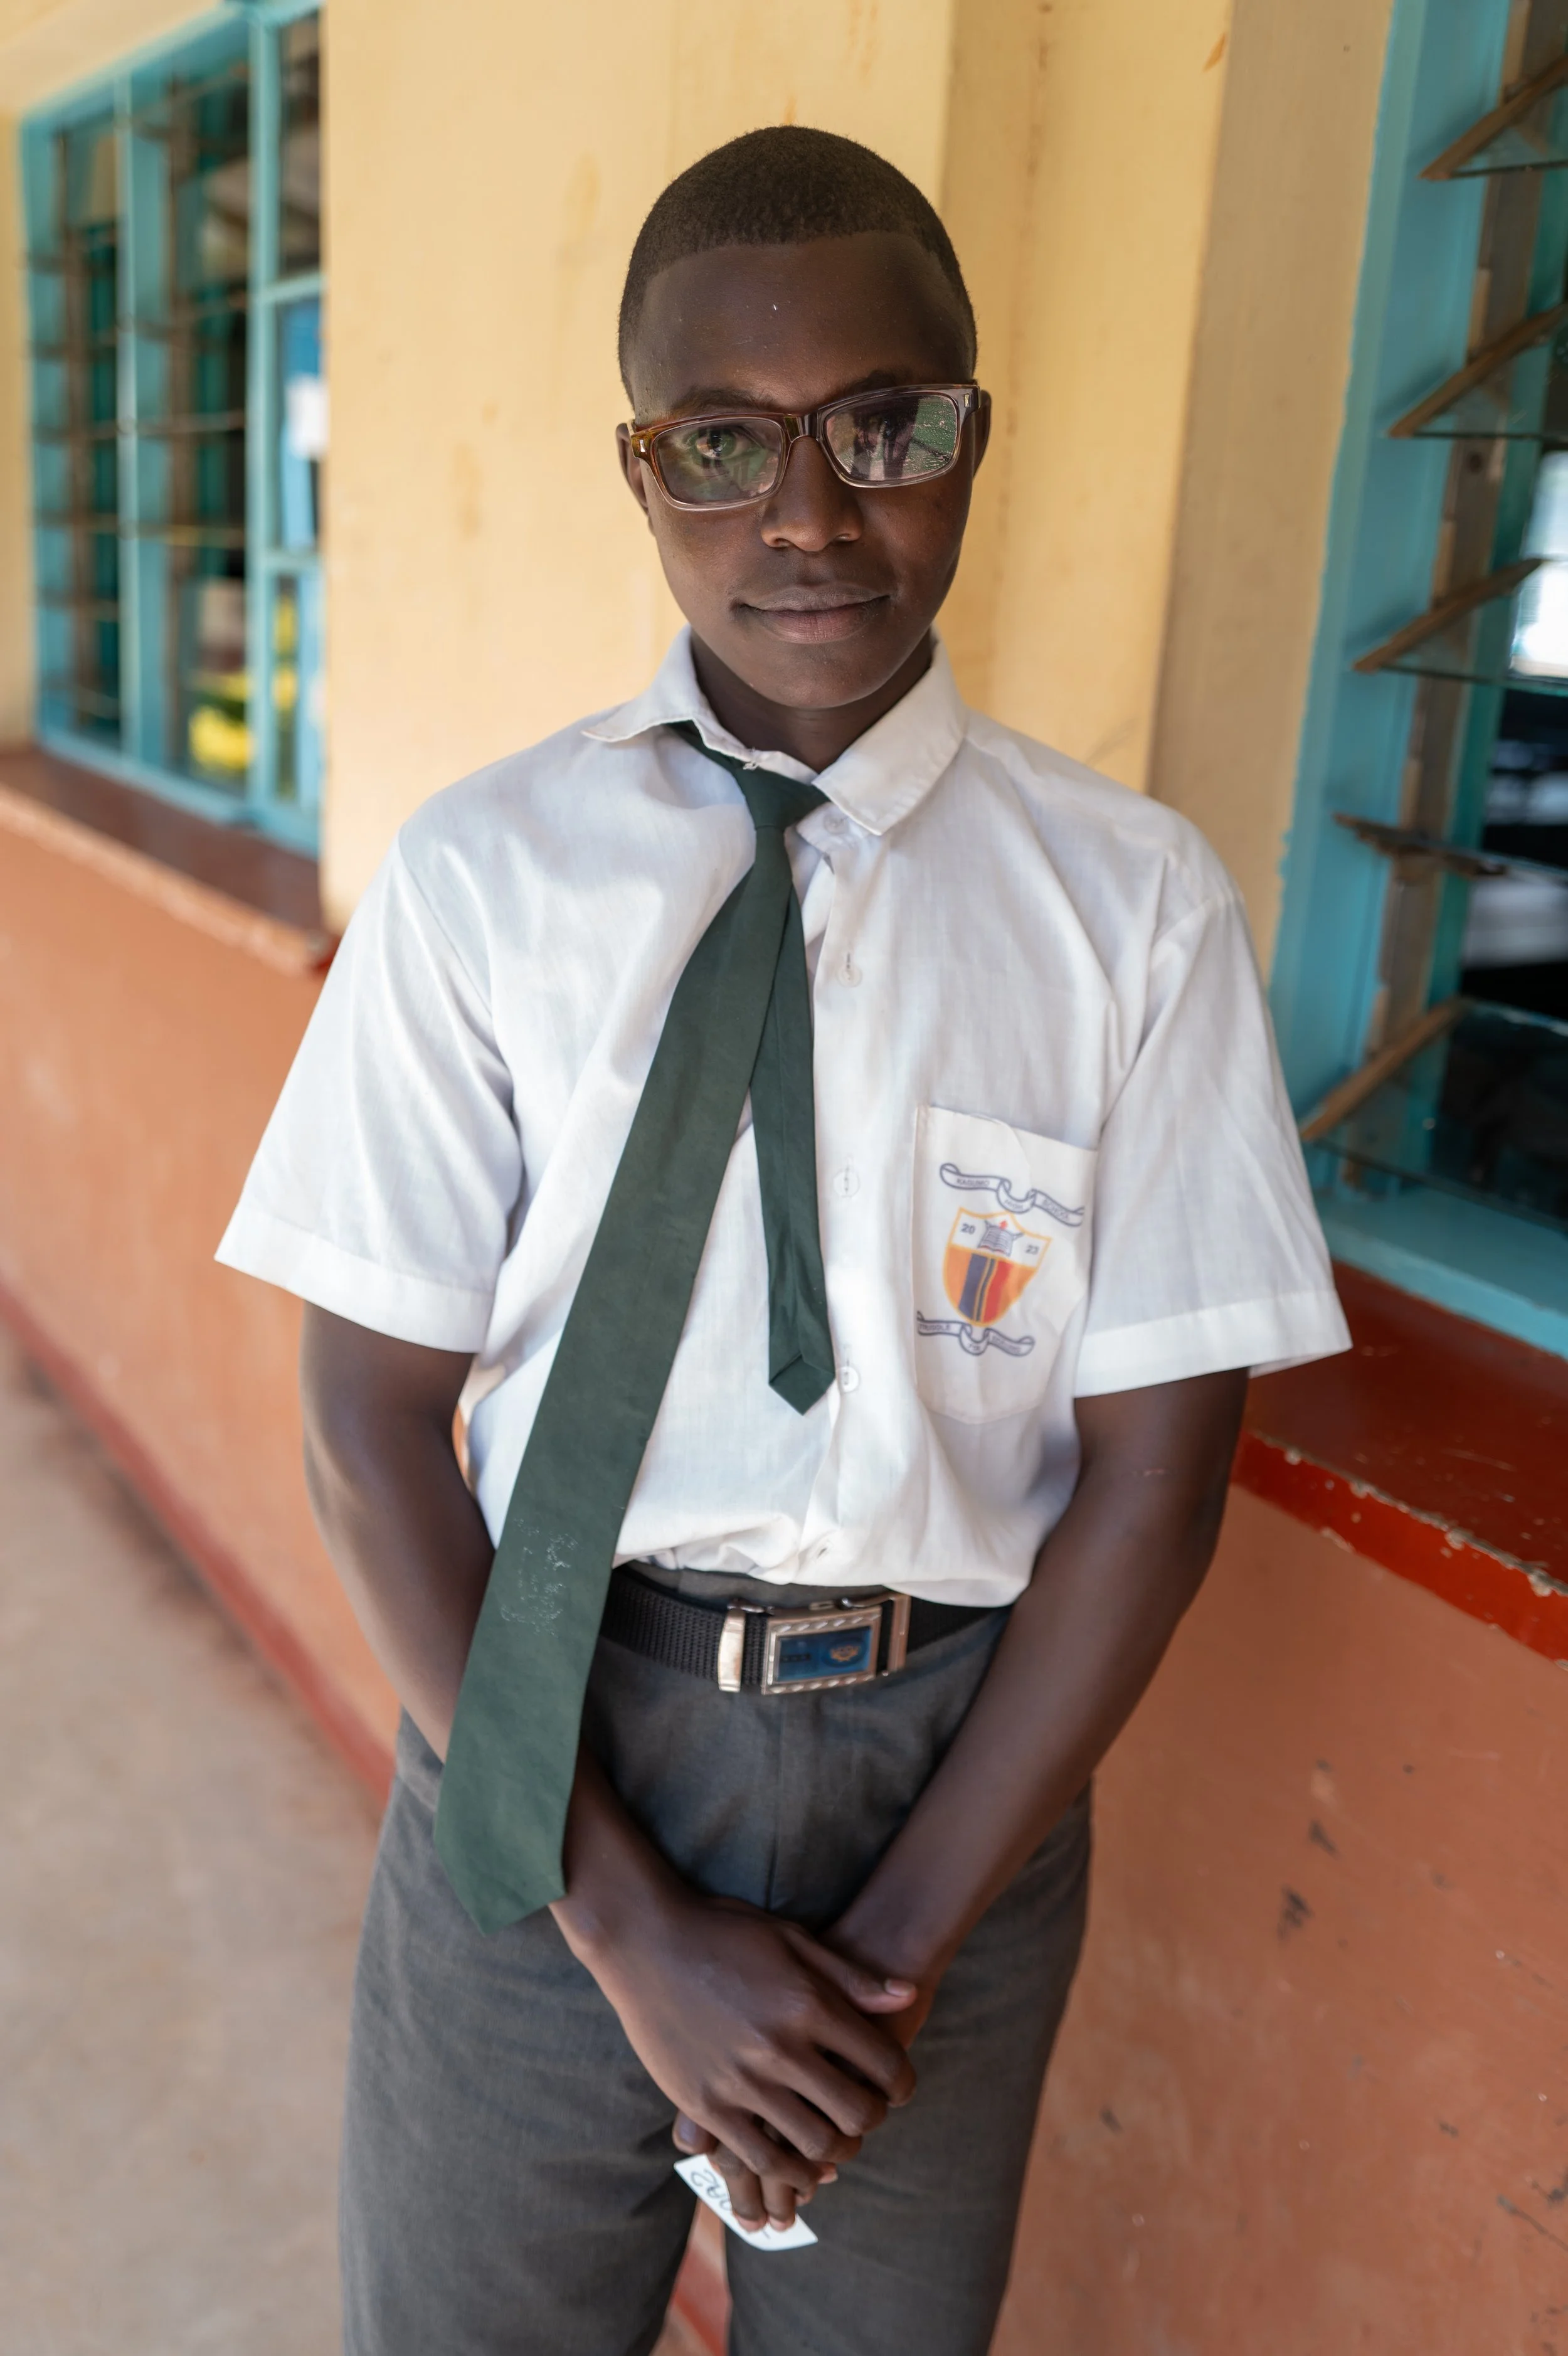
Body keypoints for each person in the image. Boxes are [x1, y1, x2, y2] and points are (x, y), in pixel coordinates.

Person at [218, 125, 1349, 2356]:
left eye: (885, 429)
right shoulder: (486, 883)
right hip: (552, 1752)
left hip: (959, 1772)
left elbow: (1156, 1472)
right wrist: (629, 1930)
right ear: (641, 470)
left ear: (970, 437)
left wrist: (901, 1947)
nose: (811, 516)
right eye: (724, 444)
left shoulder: (1125, 908)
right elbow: (366, 1419)